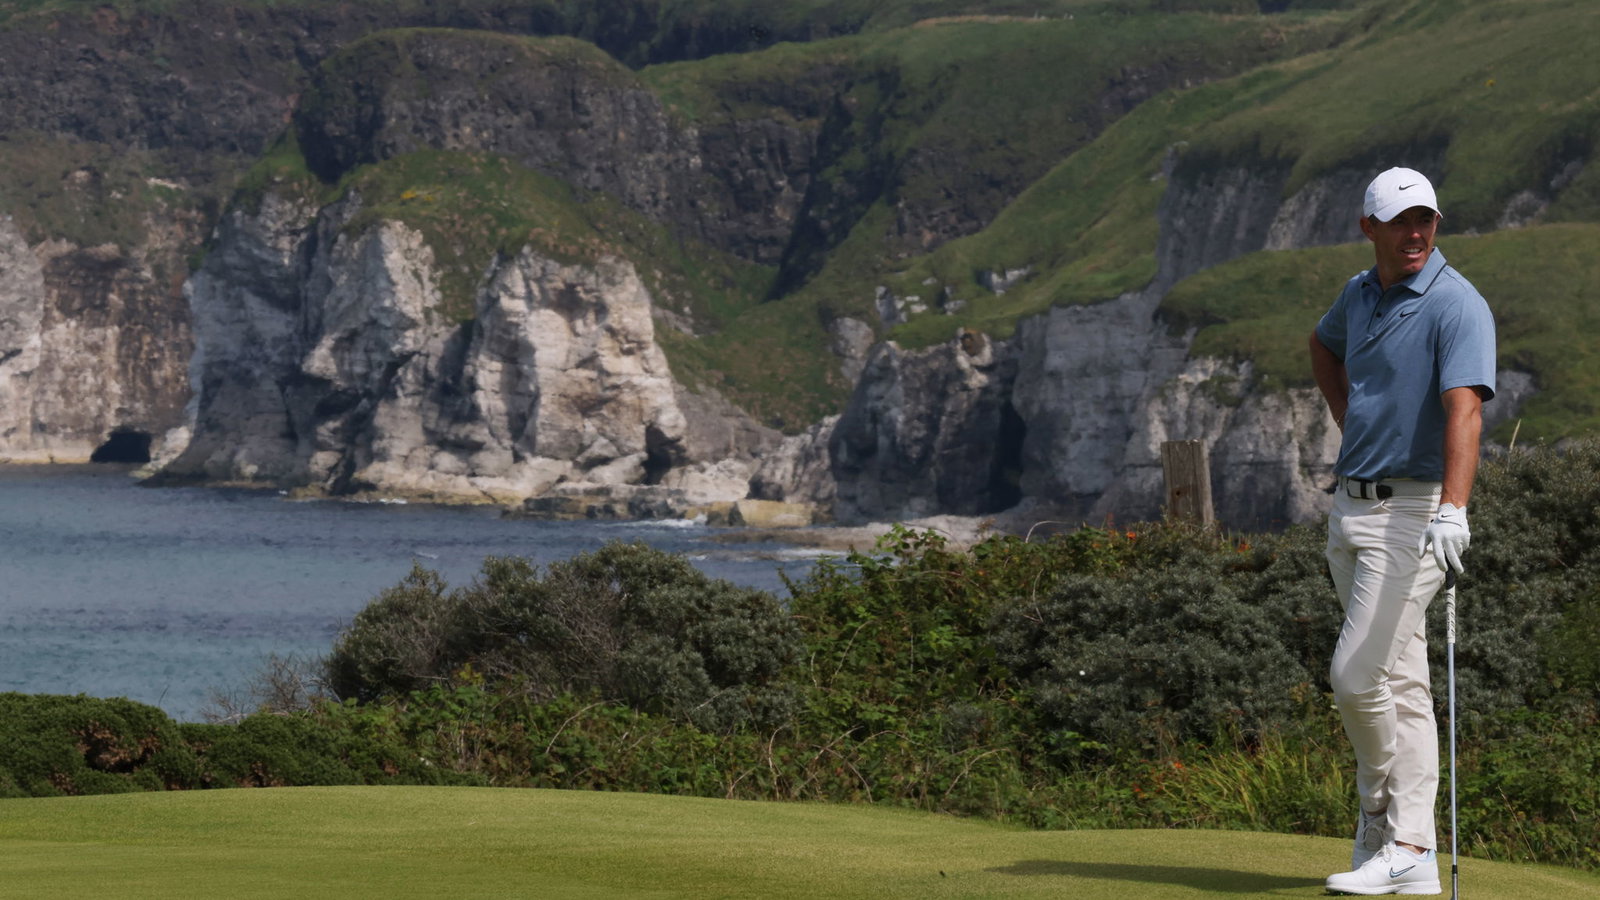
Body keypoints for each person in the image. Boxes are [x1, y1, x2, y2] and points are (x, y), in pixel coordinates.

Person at [1308, 166, 1496, 896]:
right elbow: (1321, 346)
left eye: (1427, 220)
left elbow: (1465, 410)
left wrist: (1454, 507)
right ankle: (1410, 854)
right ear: (1371, 229)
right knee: (1401, 685)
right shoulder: (1357, 296)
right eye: (1401, 222)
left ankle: (1386, 821)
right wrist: (1351, 421)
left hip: (1414, 516)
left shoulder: (1456, 303)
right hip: (1350, 511)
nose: (1416, 233)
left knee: (1354, 677)